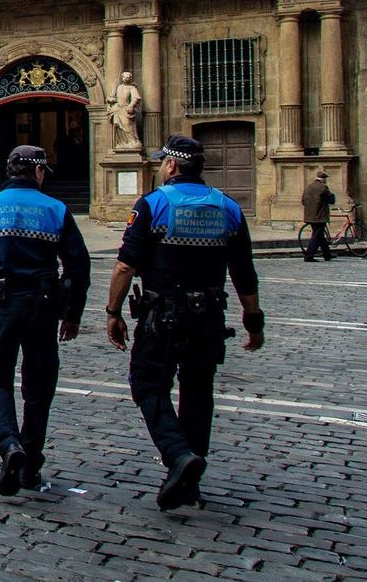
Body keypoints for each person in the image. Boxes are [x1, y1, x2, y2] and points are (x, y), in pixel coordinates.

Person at [103, 136, 264, 511]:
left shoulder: (154, 204)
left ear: (172, 166)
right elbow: (244, 272)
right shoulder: (229, 208)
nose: (160, 167)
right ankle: (190, 480)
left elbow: (126, 264)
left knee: (147, 385)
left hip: (162, 315)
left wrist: (112, 313)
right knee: (197, 393)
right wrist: (253, 321)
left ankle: (178, 456)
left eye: (162, 162)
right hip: (208, 316)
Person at [0, 145, 90, 495]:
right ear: (38, 172)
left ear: (9, 171)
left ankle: (9, 445)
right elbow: (78, 267)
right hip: (43, 306)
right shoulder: (56, 209)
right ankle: (30, 460)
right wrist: (72, 315)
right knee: (40, 385)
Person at [299, 171, 334, 262]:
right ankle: (309, 256)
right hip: (320, 216)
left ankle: (327, 254)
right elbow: (332, 200)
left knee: (320, 235)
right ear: (323, 179)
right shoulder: (323, 187)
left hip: (309, 216)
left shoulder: (308, 187)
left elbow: (303, 201)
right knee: (316, 236)